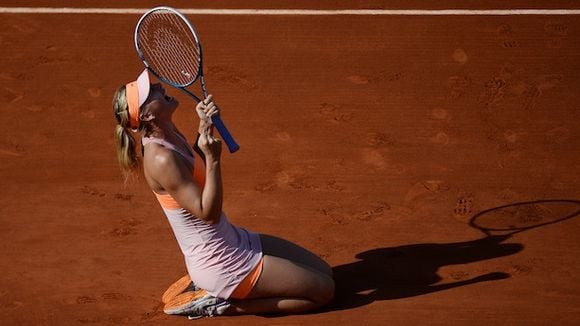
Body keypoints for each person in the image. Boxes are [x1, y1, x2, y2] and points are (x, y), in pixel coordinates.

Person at [112, 70, 335, 318]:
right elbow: (209, 213)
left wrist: (204, 128)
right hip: (222, 265)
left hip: (234, 239)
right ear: (146, 114)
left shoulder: (167, 132)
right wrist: (213, 159)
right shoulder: (161, 159)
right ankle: (219, 304)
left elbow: (192, 166)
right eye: (151, 92)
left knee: (325, 271)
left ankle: (221, 291)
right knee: (323, 291)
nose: (160, 88)